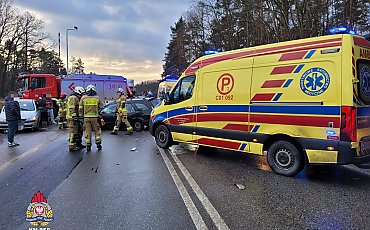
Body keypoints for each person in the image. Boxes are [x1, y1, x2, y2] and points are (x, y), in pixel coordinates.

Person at [79, 85, 103, 152]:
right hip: (95, 118)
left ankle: (88, 146)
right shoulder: (97, 98)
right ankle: (98, 144)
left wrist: (81, 116)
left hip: (86, 118)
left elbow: (80, 108)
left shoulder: (83, 98)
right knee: (97, 131)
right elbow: (101, 107)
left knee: (87, 132)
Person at [66, 86, 85, 151]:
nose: (82, 95)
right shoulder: (73, 98)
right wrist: (74, 116)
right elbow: (72, 108)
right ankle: (72, 146)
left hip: (77, 118)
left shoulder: (77, 98)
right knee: (73, 132)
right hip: (72, 118)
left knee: (80, 131)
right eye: (81, 93)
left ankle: (78, 144)